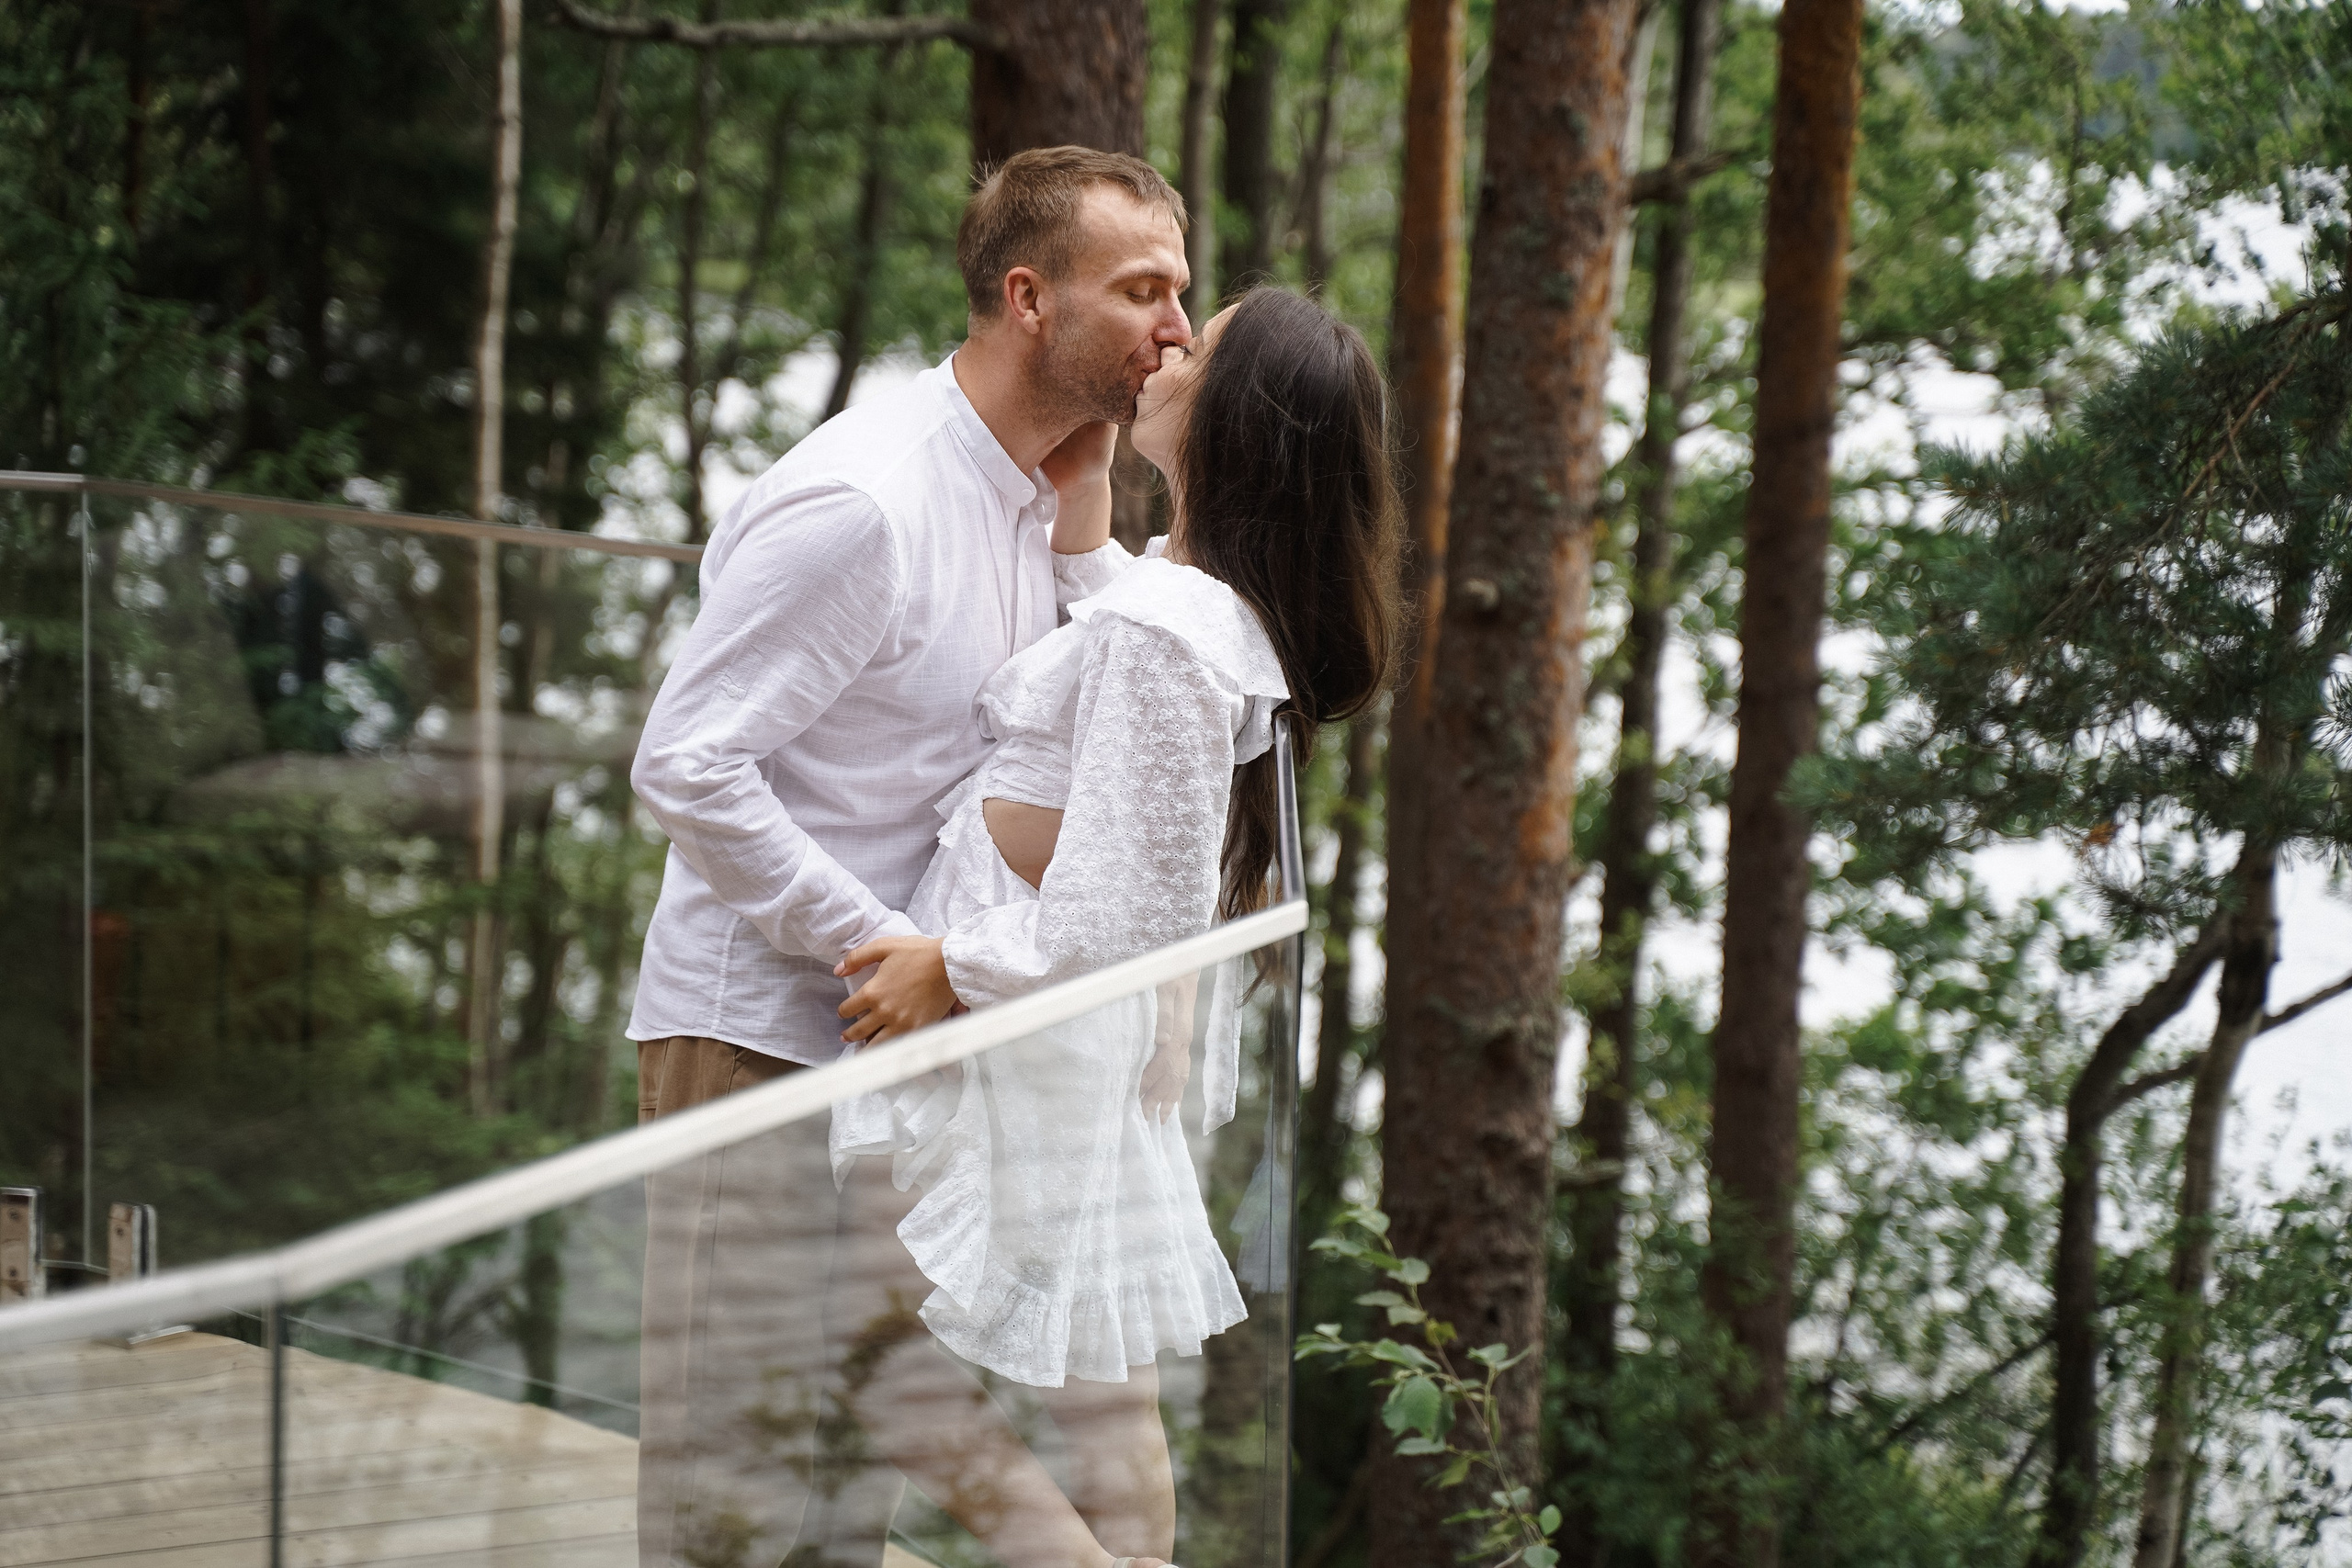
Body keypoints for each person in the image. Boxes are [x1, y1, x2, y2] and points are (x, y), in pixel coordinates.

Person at [625, 146, 1191, 1568]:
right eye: (1142, 292)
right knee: (732, 1492)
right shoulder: (868, 501)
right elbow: (686, 761)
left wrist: (1086, 513)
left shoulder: (1032, 490)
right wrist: (875, 948)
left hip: (893, 1064)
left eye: (1180, 293)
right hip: (758, 1040)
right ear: (1028, 300)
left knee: (840, 1499)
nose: (1176, 328)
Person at [821, 286, 1404, 1568]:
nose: (1171, 345)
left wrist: (947, 969)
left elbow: (1114, 915)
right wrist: (1086, 511)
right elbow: (1125, 731)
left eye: (1205, 337)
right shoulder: (1196, 610)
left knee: (874, 1359)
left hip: (1023, 1015)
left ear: (1233, 417)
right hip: (1078, 1040)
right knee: (1107, 1389)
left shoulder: (1169, 631)